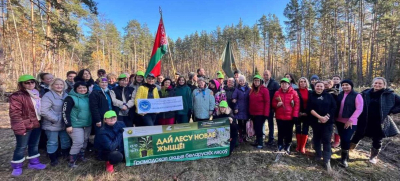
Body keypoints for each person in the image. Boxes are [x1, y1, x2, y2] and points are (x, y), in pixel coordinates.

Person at [350, 77, 400, 164]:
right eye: (376, 83)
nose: (377, 85)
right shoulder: (365, 93)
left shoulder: (390, 95)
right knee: (358, 135)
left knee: (377, 139)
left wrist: (391, 111)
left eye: (380, 83)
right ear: (373, 83)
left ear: (384, 85)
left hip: (379, 121)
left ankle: (373, 156)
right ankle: (349, 149)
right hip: (364, 119)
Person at [9, 75, 46, 176]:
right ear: (21, 84)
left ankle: (34, 162)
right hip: (24, 125)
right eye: (27, 82)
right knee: (21, 146)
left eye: (32, 82)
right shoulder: (17, 96)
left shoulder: (37, 94)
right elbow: (15, 113)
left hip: (36, 123)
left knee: (34, 144)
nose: (30, 84)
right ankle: (17, 166)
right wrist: (19, 128)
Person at [307, 81, 337, 172]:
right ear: (314, 87)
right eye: (317, 86)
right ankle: (318, 154)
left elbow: (334, 107)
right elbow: (309, 108)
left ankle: (327, 159)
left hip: (328, 122)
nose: (319, 87)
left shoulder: (329, 96)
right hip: (315, 121)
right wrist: (319, 117)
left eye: (321, 86)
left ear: (324, 87)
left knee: (326, 140)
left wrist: (326, 117)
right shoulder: (311, 96)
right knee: (316, 138)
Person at [41, 78, 71, 166]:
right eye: (57, 84)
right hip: (52, 123)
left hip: (64, 123)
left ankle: (65, 155)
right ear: (52, 85)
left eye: (61, 84)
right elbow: (43, 111)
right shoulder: (48, 96)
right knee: (52, 141)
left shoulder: (66, 95)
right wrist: (56, 119)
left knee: (65, 140)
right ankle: (53, 159)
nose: (59, 86)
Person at [63, 81, 92, 168]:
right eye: (80, 88)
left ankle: (81, 156)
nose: (82, 89)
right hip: (75, 125)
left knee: (85, 141)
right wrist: (68, 125)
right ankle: (72, 161)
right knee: (78, 142)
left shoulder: (88, 97)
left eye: (84, 88)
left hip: (87, 124)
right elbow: (65, 112)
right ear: (75, 89)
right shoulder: (70, 98)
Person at [335, 79, 363, 168]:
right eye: (343, 85)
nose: (344, 86)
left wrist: (351, 120)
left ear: (351, 85)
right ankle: (345, 157)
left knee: (346, 139)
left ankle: (344, 160)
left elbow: (359, 109)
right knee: (343, 139)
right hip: (339, 121)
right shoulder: (340, 95)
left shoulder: (357, 95)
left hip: (350, 122)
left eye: (347, 85)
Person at [272, 78, 300, 154]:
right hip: (279, 116)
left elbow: (297, 105)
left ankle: (287, 145)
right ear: (280, 85)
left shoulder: (293, 93)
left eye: (285, 83)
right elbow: (273, 104)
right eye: (282, 83)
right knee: (280, 131)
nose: (284, 85)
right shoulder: (277, 93)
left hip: (289, 117)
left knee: (289, 132)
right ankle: (280, 145)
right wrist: (277, 105)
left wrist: (295, 116)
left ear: (289, 85)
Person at [249, 74, 270, 149]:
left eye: (257, 81)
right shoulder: (252, 90)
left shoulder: (264, 90)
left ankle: (260, 142)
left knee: (259, 128)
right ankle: (257, 140)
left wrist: (266, 114)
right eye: (255, 81)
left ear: (260, 81)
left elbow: (267, 102)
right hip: (253, 113)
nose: (256, 82)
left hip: (260, 113)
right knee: (255, 127)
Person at [294, 77, 312, 154]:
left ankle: (303, 146)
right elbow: (293, 102)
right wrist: (298, 112)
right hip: (297, 113)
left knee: (305, 129)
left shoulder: (310, 92)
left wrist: (306, 112)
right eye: (301, 81)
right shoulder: (295, 91)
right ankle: (298, 145)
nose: (302, 83)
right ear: (299, 83)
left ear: (306, 83)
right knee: (298, 129)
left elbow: (312, 103)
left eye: (304, 81)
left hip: (307, 113)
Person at [263, 70, 279, 145]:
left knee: (270, 123)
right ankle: (261, 137)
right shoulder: (262, 83)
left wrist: (274, 106)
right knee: (261, 122)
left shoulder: (274, 83)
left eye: (267, 75)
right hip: (262, 106)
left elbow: (278, 95)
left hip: (270, 107)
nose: (265, 76)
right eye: (264, 75)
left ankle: (271, 139)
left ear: (270, 75)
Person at [232, 75, 250, 143]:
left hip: (246, 109)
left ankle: (245, 136)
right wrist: (236, 107)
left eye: (243, 81)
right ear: (238, 82)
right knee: (240, 124)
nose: (242, 82)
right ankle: (240, 136)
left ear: (245, 81)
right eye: (240, 81)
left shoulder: (248, 89)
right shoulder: (237, 89)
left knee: (246, 123)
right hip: (239, 109)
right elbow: (234, 99)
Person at [324, 79, 340, 148]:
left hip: (333, 113)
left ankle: (336, 141)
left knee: (334, 127)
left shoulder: (334, 93)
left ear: (331, 85)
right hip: (322, 113)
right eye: (324, 84)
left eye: (327, 84)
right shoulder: (322, 92)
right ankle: (328, 139)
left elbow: (335, 104)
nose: (325, 86)